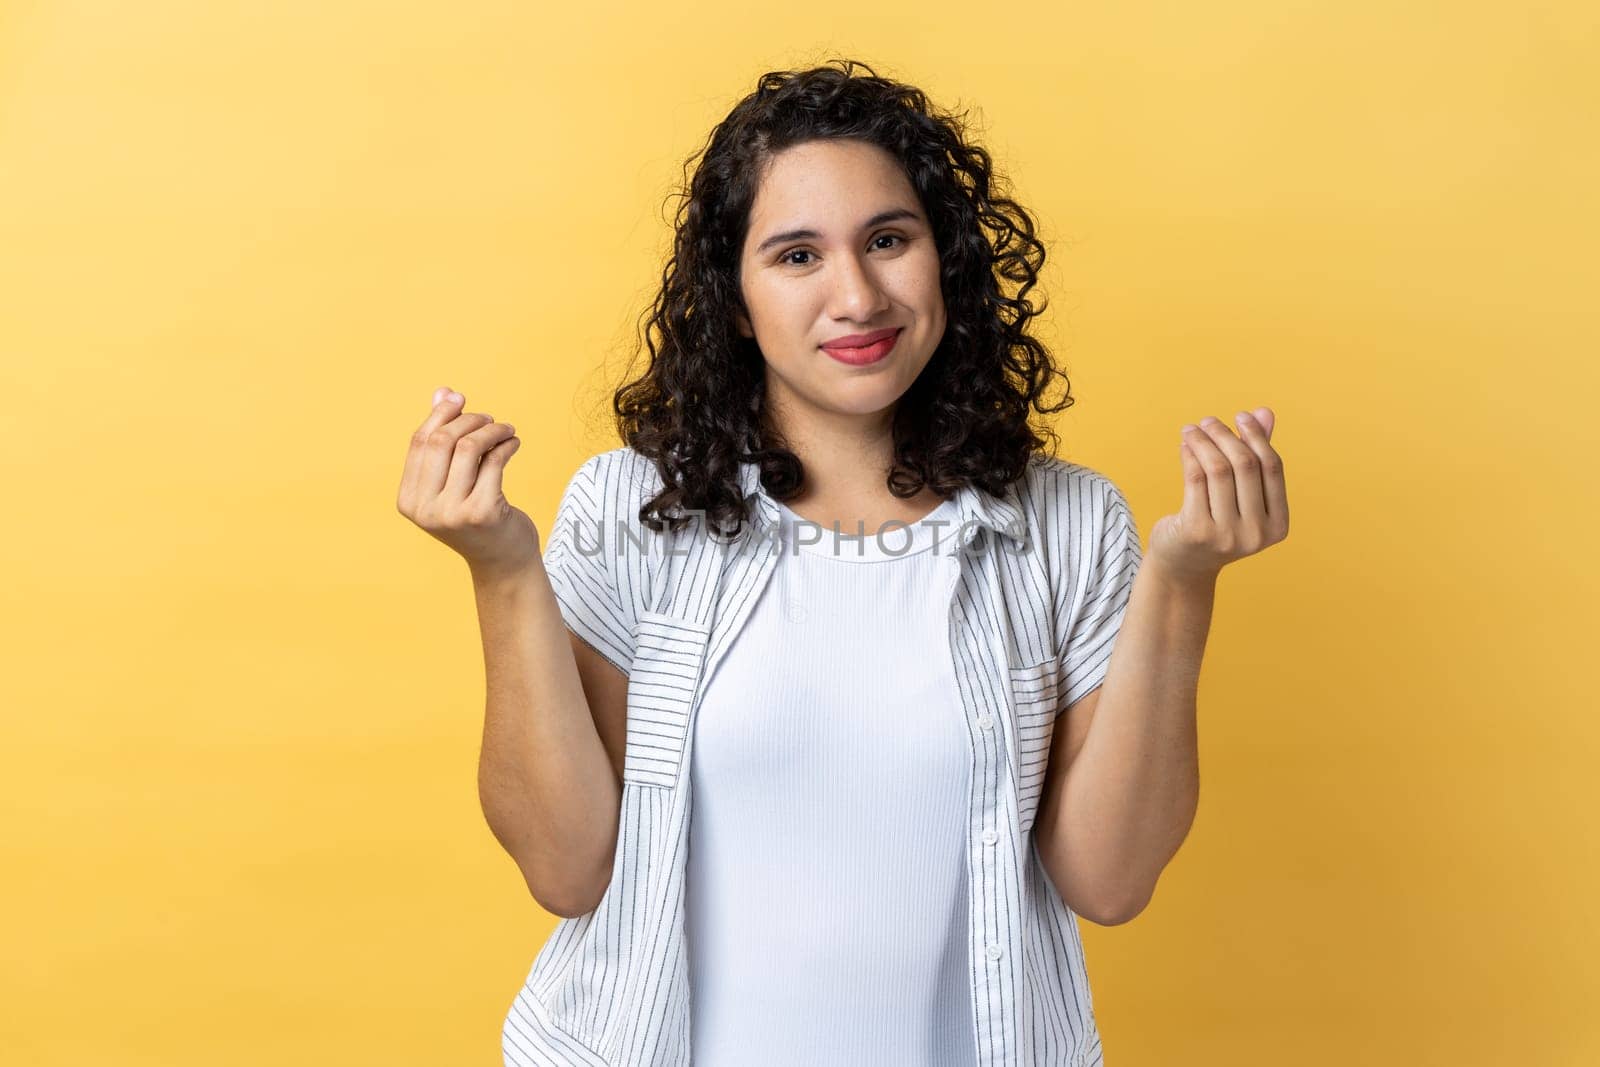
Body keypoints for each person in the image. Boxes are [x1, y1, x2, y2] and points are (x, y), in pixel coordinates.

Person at [396, 58, 1289, 1067]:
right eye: (795, 256)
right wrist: (503, 571)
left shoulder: (1070, 525)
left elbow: (1111, 881)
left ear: (941, 261)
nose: (856, 295)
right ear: (733, 300)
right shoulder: (633, 508)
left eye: (888, 241)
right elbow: (566, 869)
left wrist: (1181, 583)